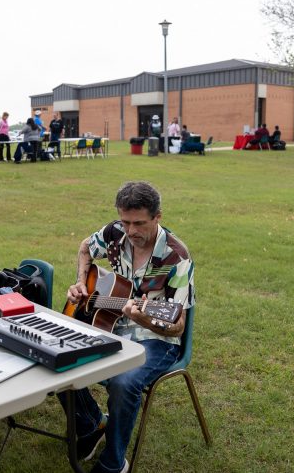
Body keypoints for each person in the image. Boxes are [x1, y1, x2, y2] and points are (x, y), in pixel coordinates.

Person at [65, 181, 194, 473]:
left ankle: (113, 463)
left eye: (139, 223)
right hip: (107, 325)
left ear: (158, 217)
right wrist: (81, 283)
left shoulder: (176, 257)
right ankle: (91, 423)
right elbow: (85, 247)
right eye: (126, 222)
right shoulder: (114, 233)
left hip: (155, 339)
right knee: (57, 354)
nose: (131, 231)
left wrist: (143, 318)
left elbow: (177, 327)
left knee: (125, 383)